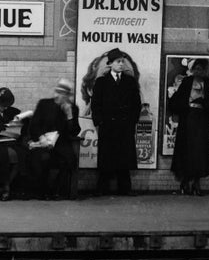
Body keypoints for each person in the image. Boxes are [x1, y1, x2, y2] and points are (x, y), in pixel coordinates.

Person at [89, 48, 141, 196]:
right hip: (108, 126)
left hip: (125, 126)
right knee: (106, 159)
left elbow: (136, 104)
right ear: (110, 64)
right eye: (118, 62)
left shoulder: (130, 81)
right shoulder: (101, 82)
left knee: (124, 159)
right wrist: (99, 122)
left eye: (122, 62)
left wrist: (132, 122)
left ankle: (125, 189)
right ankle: (102, 189)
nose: (121, 64)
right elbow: (95, 104)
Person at [26, 78, 81, 200]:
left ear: (67, 96)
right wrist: (41, 137)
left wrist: (69, 115)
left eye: (63, 94)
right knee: (43, 158)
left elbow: (75, 131)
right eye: (58, 93)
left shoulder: (72, 108)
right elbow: (34, 125)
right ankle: (43, 191)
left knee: (70, 159)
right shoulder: (44, 104)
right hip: (42, 141)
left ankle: (56, 189)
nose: (60, 96)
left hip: (60, 143)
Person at [169, 58, 209, 195]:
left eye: (201, 69)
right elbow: (177, 99)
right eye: (196, 68)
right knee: (187, 150)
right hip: (188, 119)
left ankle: (196, 183)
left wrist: (205, 103)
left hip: (201, 121)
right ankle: (185, 182)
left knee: (199, 152)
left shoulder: (207, 82)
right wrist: (186, 105)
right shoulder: (187, 81)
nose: (198, 71)